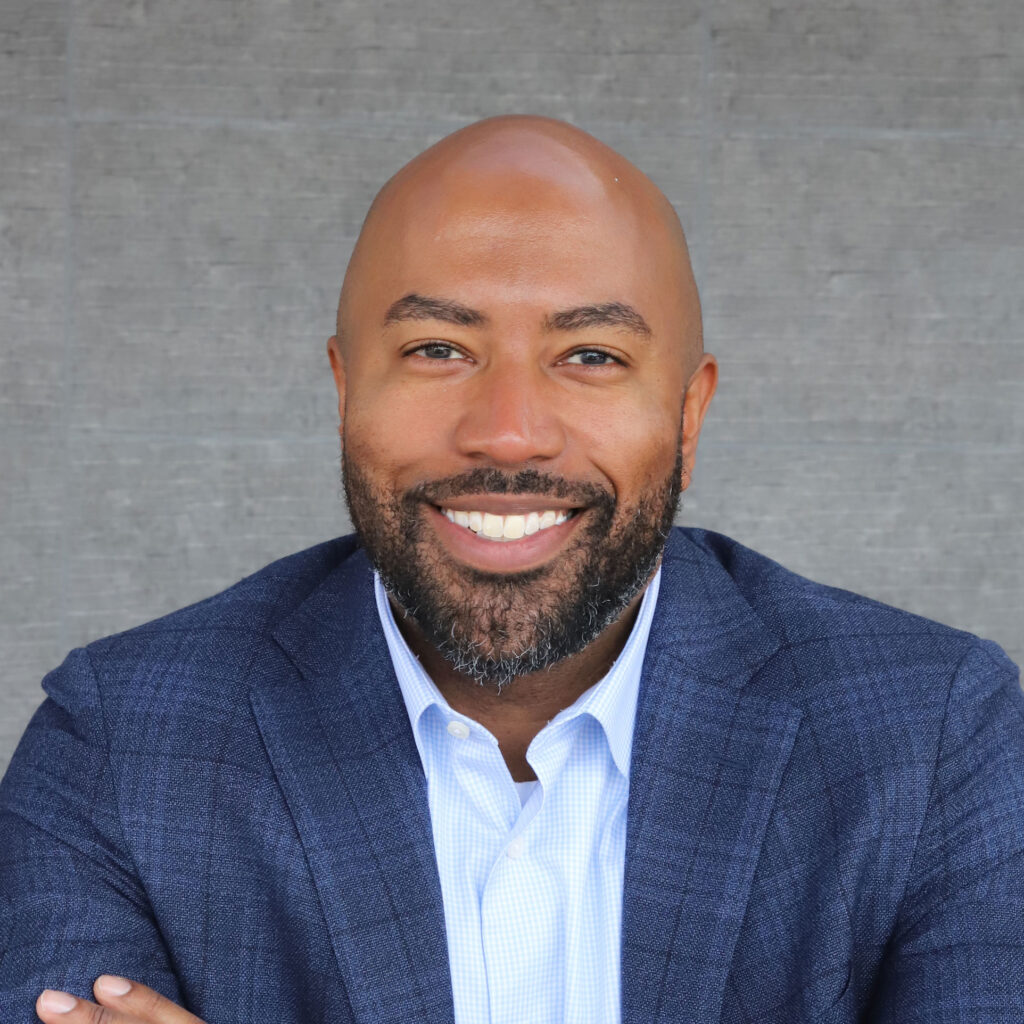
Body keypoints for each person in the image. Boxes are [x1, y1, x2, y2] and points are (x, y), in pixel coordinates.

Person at [2, 115, 1023, 1024]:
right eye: (439, 347)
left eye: (589, 357)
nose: (507, 433)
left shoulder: (933, 737)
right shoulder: (122, 744)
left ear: (689, 413)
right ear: (344, 388)